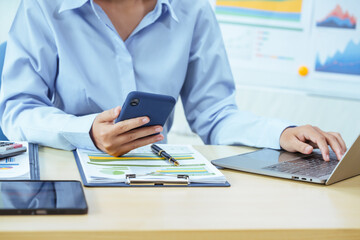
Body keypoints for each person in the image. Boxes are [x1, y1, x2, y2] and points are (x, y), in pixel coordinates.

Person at [0, 0, 346, 161]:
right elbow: (17, 110)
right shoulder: (42, 8)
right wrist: (87, 131)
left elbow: (215, 114)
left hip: (157, 177)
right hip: (67, 174)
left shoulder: (193, 11)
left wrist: (281, 133)